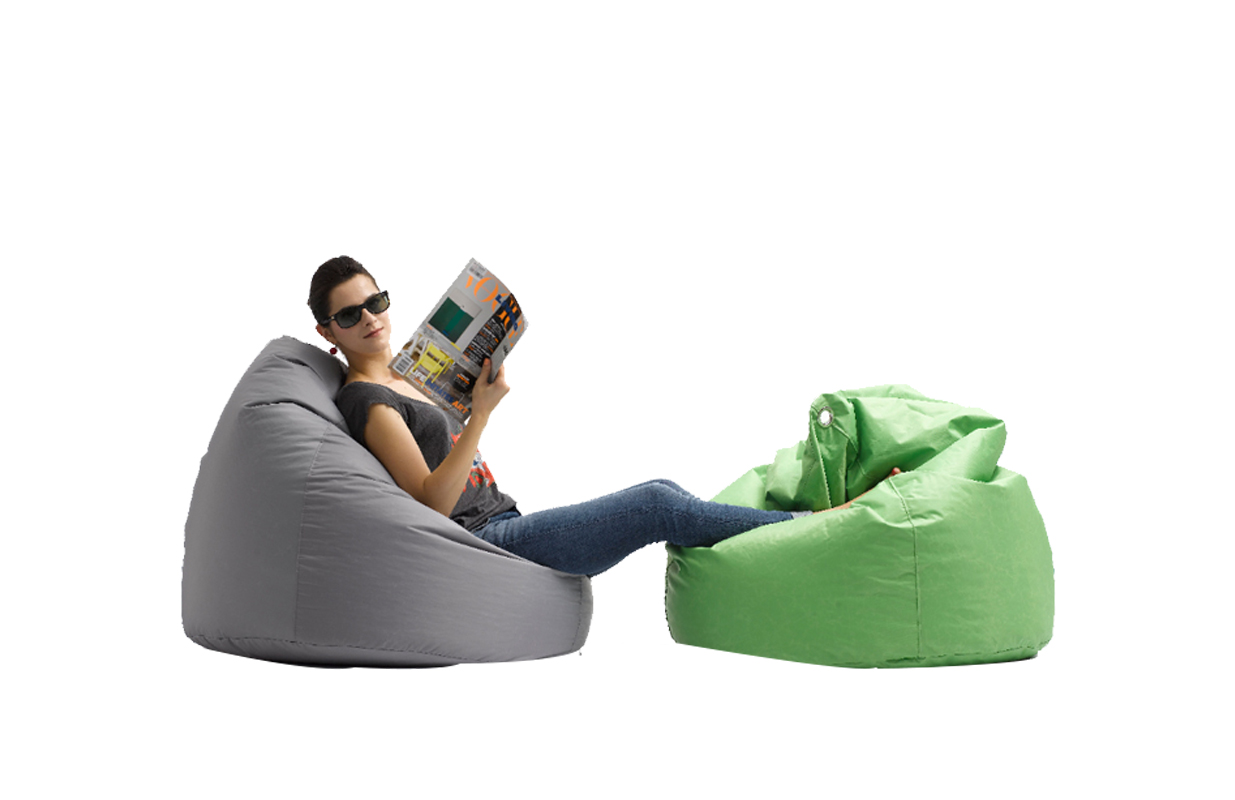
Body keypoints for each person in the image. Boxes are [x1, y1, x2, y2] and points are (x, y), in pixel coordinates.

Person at [309, 255, 898, 576]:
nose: (370, 319)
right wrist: (481, 415)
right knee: (656, 505)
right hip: (483, 544)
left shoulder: (408, 374)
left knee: (664, 489)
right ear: (327, 332)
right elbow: (432, 504)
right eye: (350, 315)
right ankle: (820, 525)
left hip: (505, 520)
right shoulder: (367, 399)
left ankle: (790, 532)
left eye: (375, 302)